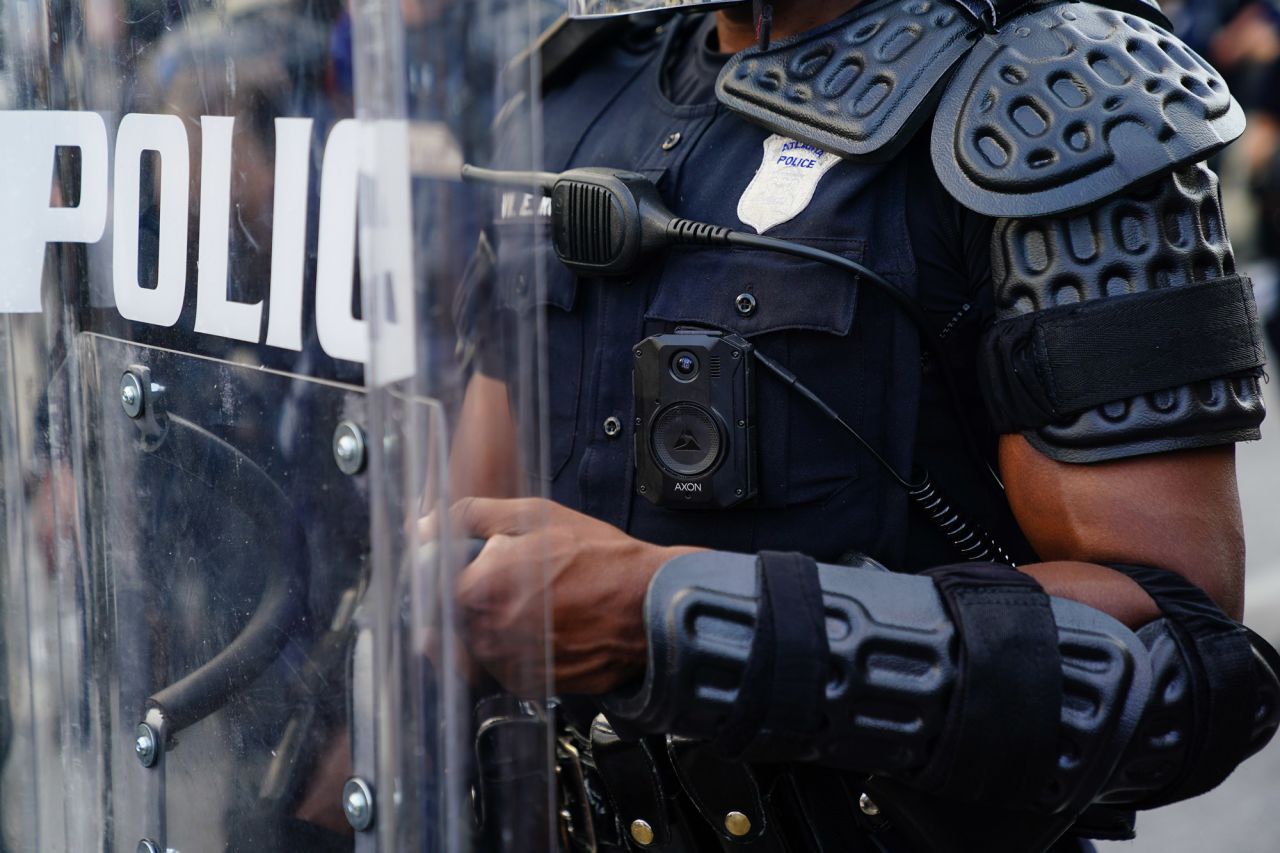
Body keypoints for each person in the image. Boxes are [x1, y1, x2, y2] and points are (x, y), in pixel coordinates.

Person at [448, 0, 1280, 850]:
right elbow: (462, 534)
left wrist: (677, 616)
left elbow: (1176, 651)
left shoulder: (1059, 97)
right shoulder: (576, 89)